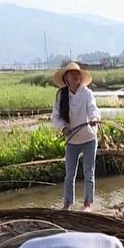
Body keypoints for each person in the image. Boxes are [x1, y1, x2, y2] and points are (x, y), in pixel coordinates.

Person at [51, 62, 100, 212]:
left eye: (77, 74)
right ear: (66, 78)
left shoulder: (87, 93)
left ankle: (87, 204)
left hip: (89, 138)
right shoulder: (61, 95)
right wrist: (63, 128)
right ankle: (67, 204)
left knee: (88, 172)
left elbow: (93, 108)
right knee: (69, 174)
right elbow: (55, 116)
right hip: (72, 139)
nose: (76, 76)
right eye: (72, 74)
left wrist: (94, 118)